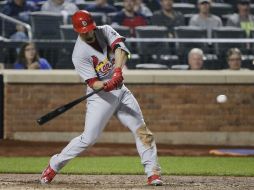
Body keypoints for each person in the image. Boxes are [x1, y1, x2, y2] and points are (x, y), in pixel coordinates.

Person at [40, 10, 163, 186]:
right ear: (77, 31)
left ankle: (153, 173)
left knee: (142, 131)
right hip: (101, 97)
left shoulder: (104, 30)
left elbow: (120, 49)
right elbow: (94, 84)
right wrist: (107, 85)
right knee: (88, 139)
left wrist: (118, 72)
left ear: (93, 25)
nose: (87, 34)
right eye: (83, 32)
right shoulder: (79, 54)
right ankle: (53, 165)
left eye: (89, 29)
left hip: (121, 90)